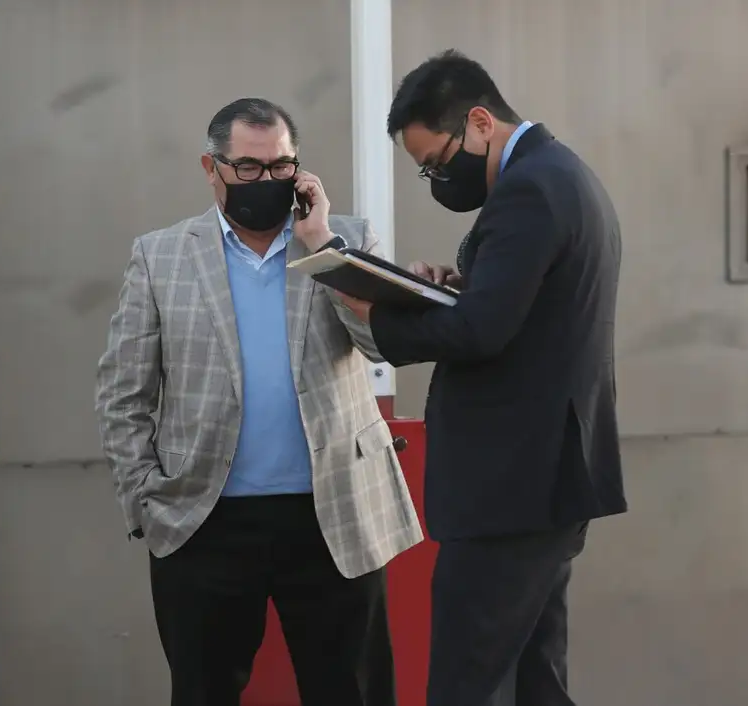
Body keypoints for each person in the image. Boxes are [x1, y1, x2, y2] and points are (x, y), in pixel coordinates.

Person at [95, 97, 421, 706]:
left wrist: (321, 242)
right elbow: (123, 390)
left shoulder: (345, 240)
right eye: (248, 168)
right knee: (205, 691)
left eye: (280, 167)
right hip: (203, 519)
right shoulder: (160, 255)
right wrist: (143, 497)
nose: (265, 181)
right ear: (211, 167)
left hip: (333, 516)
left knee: (351, 689)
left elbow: (382, 346)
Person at [339, 50, 628, 706]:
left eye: (437, 163)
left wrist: (376, 316)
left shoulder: (526, 190)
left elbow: (480, 334)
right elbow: (522, 308)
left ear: (478, 122)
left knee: (465, 685)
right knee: (535, 682)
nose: (437, 179)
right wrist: (457, 287)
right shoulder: (564, 176)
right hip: (548, 484)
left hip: (511, 489)